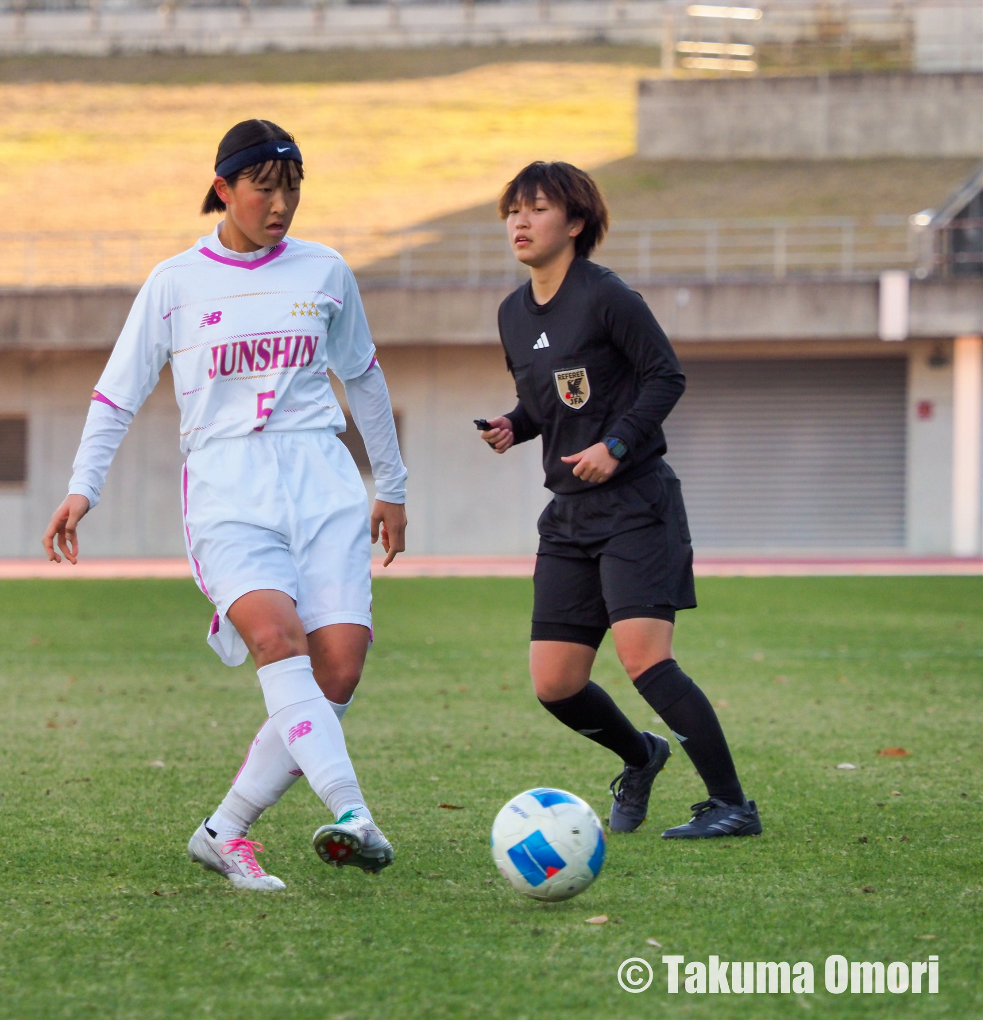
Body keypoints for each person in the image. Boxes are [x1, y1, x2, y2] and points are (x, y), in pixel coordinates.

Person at [42, 119, 410, 888]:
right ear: (223, 189)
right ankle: (354, 814)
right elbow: (118, 392)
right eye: (264, 189)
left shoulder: (327, 272)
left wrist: (392, 487)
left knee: (338, 668)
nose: (281, 205)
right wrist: (84, 488)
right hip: (229, 487)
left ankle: (224, 830)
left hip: (323, 481)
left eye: (293, 189)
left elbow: (364, 379)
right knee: (280, 641)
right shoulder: (175, 283)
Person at [477, 161, 761, 839]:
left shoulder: (608, 296)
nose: (520, 221)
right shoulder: (513, 314)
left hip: (636, 502)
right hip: (569, 513)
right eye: (513, 209)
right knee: (555, 683)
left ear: (575, 223)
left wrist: (618, 445)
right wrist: (515, 425)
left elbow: (666, 376)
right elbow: (553, 395)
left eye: (537, 209)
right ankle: (642, 756)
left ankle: (731, 805)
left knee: (645, 659)